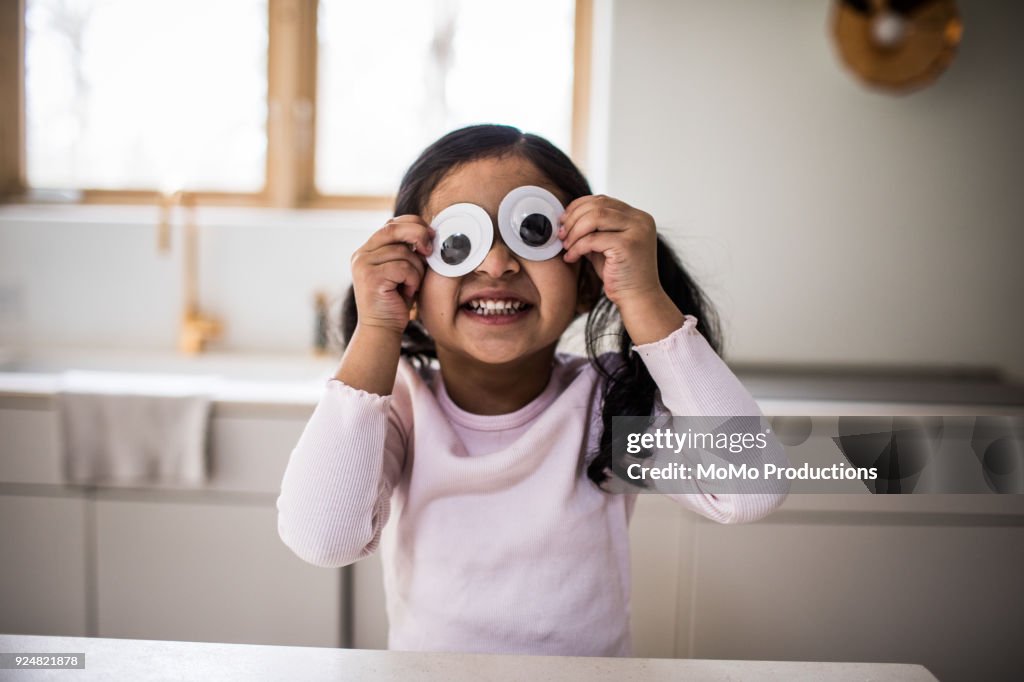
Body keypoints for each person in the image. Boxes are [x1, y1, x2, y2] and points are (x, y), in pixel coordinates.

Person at [276, 124, 790, 657]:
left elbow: (750, 487)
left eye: (533, 231)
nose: (497, 264)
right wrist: (378, 329)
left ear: (587, 281)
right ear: (410, 282)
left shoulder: (606, 403)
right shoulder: (399, 406)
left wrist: (643, 296)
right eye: (458, 242)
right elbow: (322, 538)